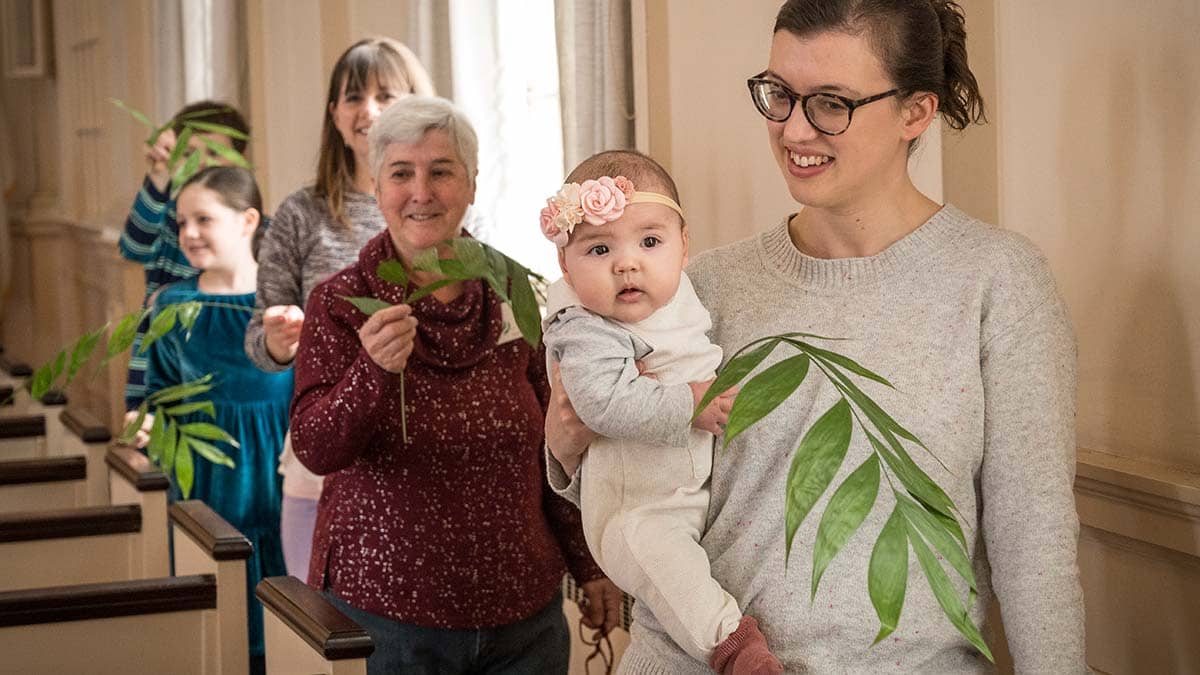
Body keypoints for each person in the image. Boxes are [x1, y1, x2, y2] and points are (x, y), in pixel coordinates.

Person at [547, 1, 1087, 672]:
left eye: (831, 102)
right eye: (779, 94)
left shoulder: (997, 283)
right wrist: (566, 448)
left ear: (915, 112)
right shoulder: (694, 288)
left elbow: (1033, 542)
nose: (793, 128)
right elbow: (637, 491)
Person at [289, 95, 621, 674]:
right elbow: (316, 448)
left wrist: (589, 565)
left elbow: (555, 447)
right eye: (401, 173)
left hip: (522, 615)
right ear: (377, 187)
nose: (422, 191)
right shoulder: (339, 304)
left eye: (441, 171)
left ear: (471, 185)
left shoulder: (518, 296)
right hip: (386, 618)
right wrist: (371, 374)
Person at [539, 150, 783, 674]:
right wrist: (690, 405)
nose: (628, 263)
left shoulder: (679, 290)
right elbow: (600, 403)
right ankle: (733, 644)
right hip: (635, 508)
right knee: (670, 567)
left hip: (686, 490)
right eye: (599, 248)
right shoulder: (584, 326)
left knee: (683, 563)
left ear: (683, 245)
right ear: (565, 264)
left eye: (650, 242)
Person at [244, 36, 435, 579]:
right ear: (334, 114)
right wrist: (277, 343)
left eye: (386, 95)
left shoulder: (447, 210)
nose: (368, 111)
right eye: (353, 97)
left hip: (420, 453)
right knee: (323, 625)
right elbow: (259, 337)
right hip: (320, 457)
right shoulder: (300, 214)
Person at [142, 166, 291, 674]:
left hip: (277, 483)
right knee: (215, 634)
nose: (188, 234)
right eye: (182, 222)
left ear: (248, 219)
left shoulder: (285, 302)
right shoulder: (171, 303)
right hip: (206, 485)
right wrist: (146, 425)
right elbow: (155, 392)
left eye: (203, 219)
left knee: (286, 632)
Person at [119, 100, 251, 413]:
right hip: (157, 384)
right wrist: (159, 179)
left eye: (215, 153)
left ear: (239, 162)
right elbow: (133, 246)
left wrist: (182, 293)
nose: (202, 164)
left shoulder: (250, 228)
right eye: (190, 153)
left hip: (221, 384)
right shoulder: (167, 218)